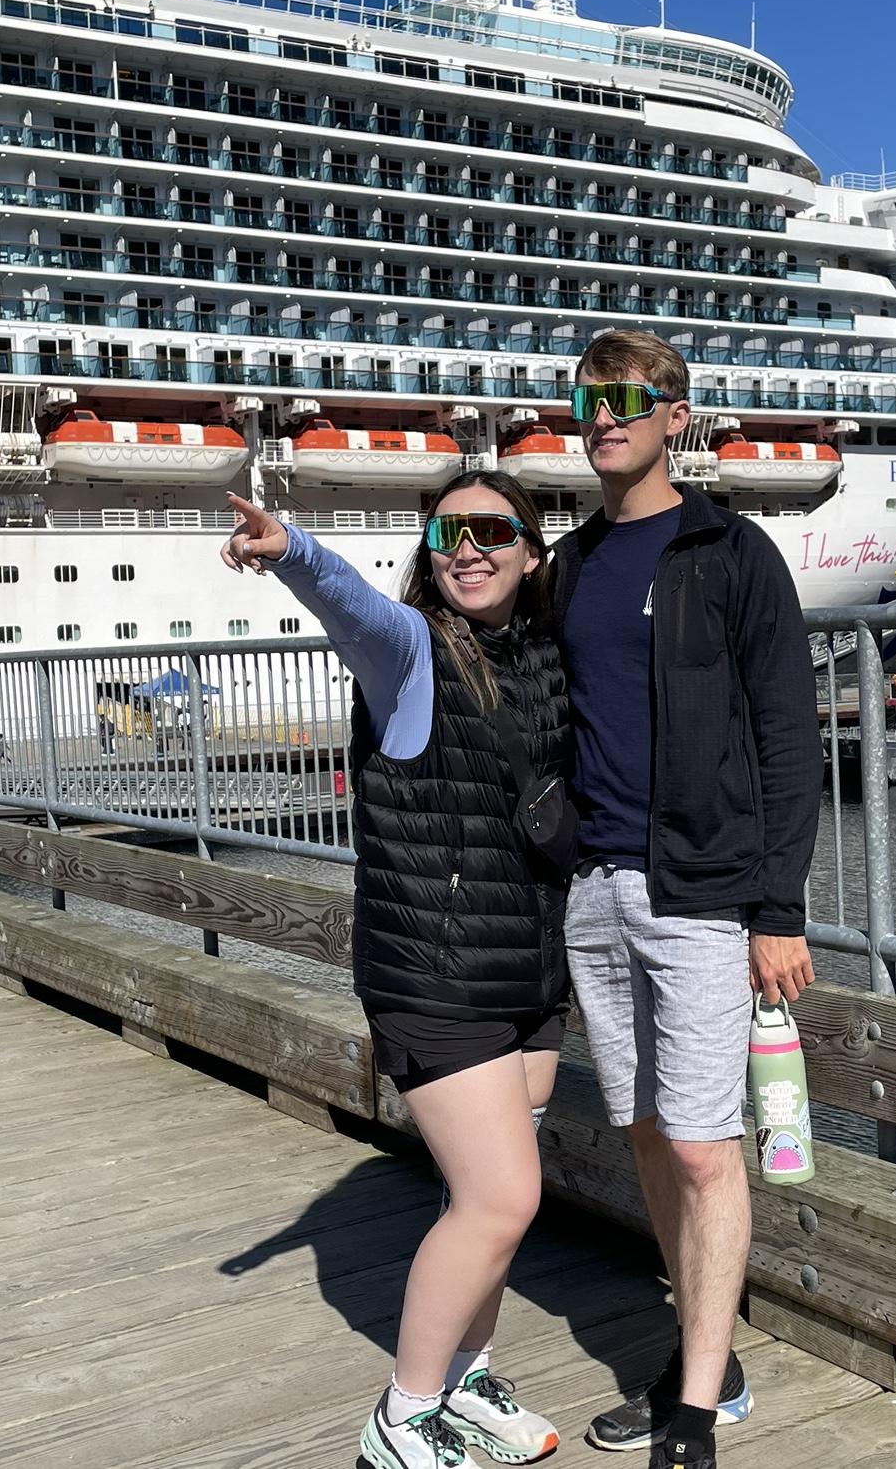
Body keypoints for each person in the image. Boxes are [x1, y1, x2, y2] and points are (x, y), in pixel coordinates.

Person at [220, 471, 570, 1469]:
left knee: (486, 1201)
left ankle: (467, 1378)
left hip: (530, 968)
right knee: (501, 1199)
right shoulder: (412, 648)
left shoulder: (544, 651)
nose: (467, 548)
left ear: (531, 550)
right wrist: (292, 551)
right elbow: (353, 606)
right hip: (434, 971)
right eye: (447, 532)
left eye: (491, 530)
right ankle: (403, 1416)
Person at [551, 332, 822, 1469]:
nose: (604, 417)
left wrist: (779, 907)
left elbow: (788, 735)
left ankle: (697, 1413)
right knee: (651, 1134)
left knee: (708, 1148)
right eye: (588, 399)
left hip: (704, 894)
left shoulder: (731, 550)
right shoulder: (567, 564)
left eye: (626, 398)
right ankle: (706, 1354)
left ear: (675, 414)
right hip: (594, 889)